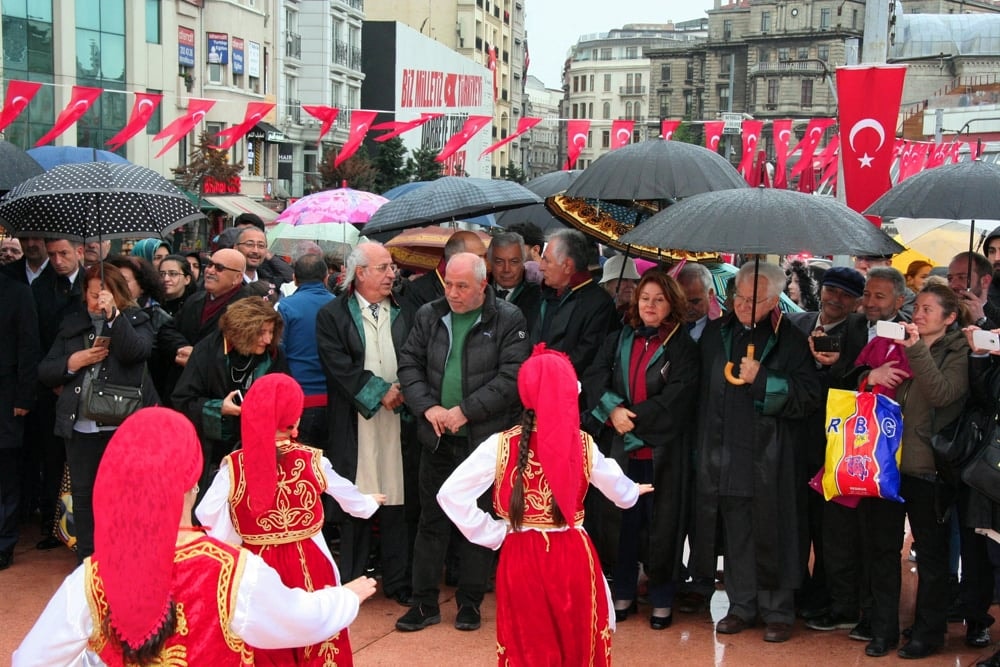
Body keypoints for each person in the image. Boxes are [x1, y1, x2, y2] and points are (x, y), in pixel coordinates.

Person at [13, 407, 377, 666]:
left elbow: (31, 659)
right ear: (192, 481)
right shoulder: (233, 571)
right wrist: (344, 598)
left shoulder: (92, 578)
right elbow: (297, 619)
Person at [438, 346, 652, 665]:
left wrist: (494, 532)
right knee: (575, 639)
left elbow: (450, 495)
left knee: (528, 643)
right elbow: (618, 491)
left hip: (520, 555)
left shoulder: (500, 445)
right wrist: (633, 491)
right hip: (572, 555)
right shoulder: (582, 444)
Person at [196, 374, 385, 666]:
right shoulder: (313, 460)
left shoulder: (232, 468)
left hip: (255, 566)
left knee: (267, 639)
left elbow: (207, 515)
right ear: (294, 420)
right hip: (310, 563)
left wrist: (233, 539)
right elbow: (347, 494)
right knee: (318, 632)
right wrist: (368, 503)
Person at [396, 252, 530, 633]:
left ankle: (469, 603)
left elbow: (511, 377)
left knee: (478, 521)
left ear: (482, 285)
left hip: (483, 441)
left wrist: (465, 411)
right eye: (448, 284)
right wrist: (429, 408)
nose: (453, 293)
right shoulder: (429, 315)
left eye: (462, 286)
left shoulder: (507, 318)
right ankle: (424, 604)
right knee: (430, 522)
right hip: (437, 438)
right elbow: (409, 365)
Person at [691, 261, 822, 643]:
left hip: (771, 456)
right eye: (739, 297)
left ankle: (778, 610)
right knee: (735, 531)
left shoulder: (792, 339)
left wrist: (761, 379)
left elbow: (808, 397)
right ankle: (741, 606)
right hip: (723, 448)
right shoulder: (716, 334)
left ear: (773, 300)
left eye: (754, 299)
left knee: (774, 530)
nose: (744, 306)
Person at [583, 271, 700, 630]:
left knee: (661, 527)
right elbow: (594, 378)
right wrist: (611, 411)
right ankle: (623, 593)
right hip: (620, 453)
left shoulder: (683, 348)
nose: (650, 305)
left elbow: (678, 398)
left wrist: (631, 419)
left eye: (659, 300)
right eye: (645, 298)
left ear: (672, 305)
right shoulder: (619, 338)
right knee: (621, 524)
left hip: (662, 453)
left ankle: (662, 597)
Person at [857, 283, 969, 659]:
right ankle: (883, 628)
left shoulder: (959, 351)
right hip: (888, 461)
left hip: (928, 468)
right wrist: (873, 375)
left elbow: (941, 393)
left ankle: (928, 632)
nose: (917, 315)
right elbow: (864, 383)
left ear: (950, 318)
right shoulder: (901, 341)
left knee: (932, 557)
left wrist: (916, 349)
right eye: (916, 307)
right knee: (882, 549)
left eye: (927, 309)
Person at [316, 242, 417, 605]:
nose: (393, 274)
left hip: (400, 417)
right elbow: (337, 365)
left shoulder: (407, 310)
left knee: (399, 497)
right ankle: (354, 579)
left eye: (392, 267)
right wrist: (379, 392)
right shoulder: (333, 315)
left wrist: (407, 390)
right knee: (355, 495)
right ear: (360, 273)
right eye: (384, 267)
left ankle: (399, 580)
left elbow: (419, 353)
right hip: (355, 418)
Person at [37, 262, 157, 561]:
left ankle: (122, 557)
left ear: (117, 293)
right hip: (79, 425)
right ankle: (88, 560)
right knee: (83, 495)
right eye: (92, 295)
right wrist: (73, 362)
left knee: (122, 495)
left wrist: (115, 317)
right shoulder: (72, 323)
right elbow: (46, 370)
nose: (96, 301)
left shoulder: (137, 319)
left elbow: (136, 353)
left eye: (102, 294)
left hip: (121, 423)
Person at [172, 296, 289, 494]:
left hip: (257, 449)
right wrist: (218, 408)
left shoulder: (274, 355)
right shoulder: (207, 351)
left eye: (271, 332)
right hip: (213, 451)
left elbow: (286, 397)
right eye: (261, 333)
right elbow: (182, 400)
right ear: (242, 330)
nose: (268, 339)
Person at [157, 248, 250, 408]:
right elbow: (167, 331)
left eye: (219, 268)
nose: (210, 271)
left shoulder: (248, 308)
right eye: (210, 265)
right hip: (183, 391)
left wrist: (197, 357)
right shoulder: (195, 299)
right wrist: (181, 347)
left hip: (218, 397)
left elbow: (244, 354)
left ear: (237, 277)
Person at [533, 229, 619, 377]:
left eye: (546, 260)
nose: (541, 266)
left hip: (571, 389)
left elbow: (586, 354)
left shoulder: (598, 303)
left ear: (567, 265)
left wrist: (549, 373)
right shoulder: (547, 294)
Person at [0, 271, 40, 570]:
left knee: (6, 476)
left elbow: (29, 347)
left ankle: (4, 543)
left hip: (6, 397)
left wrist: (24, 398)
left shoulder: (17, 292)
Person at [277, 254, 335, 447]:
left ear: (294, 278)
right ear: (326, 277)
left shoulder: (284, 307)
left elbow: (277, 352)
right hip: (336, 401)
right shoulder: (340, 306)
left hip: (300, 402)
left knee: (301, 467)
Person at [399, 230, 487, 314]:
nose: (485, 264)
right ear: (454, 258)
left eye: (485, 257)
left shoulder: (484, 288)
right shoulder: (418, 292)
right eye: (478, 258)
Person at [488, 231, 541, 330]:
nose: (506, 269)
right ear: (490, 262)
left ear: (523, 262)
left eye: (514, 262)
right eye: (499, 262)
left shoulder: (539, 297)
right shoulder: (479, 293)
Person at [948, 251, 994, 329]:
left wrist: (982, 321)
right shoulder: (945, 314)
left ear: (985, 281)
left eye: (962, 277)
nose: (953, 285)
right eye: (950, 278)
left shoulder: (996, 316)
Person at [675, 262, 717, 342]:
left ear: (710, 294)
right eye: (682, 301)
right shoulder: (668, 326)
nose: (687, 306)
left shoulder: (724, 330)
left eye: (695, 301)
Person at [600, 254, 641, 320]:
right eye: (624, 279)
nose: (631, 285)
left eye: (634, 281)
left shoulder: (639, 314)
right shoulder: (597, 309)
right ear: (608, 283)